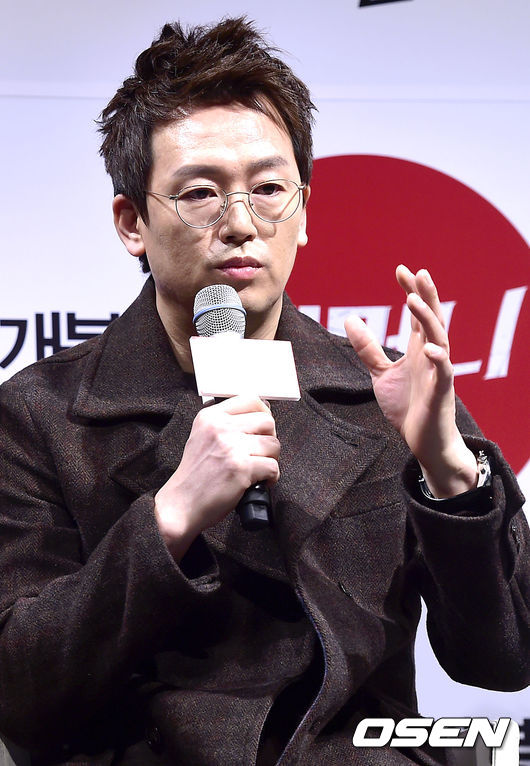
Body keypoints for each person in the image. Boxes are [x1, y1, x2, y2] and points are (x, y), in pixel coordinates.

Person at [0, 16, 528, 766]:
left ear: (303, 214)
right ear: (131, 222)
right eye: (201, 194)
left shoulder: (380, 395)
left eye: (270, 189)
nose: (241, 224)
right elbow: (19, 693)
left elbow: (505, 660)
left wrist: (447, 469)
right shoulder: (40, 413)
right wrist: (169, 519)